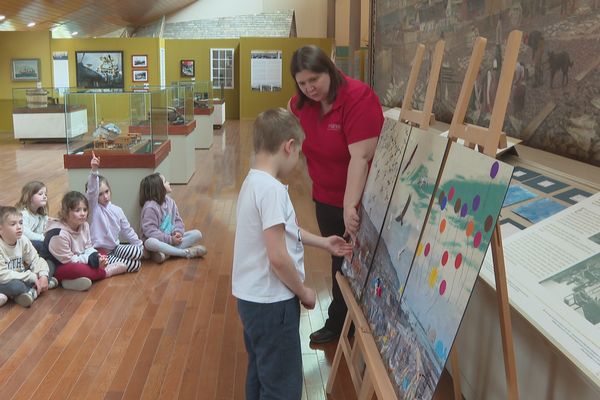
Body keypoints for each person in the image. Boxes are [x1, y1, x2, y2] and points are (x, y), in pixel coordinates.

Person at [233, 108, 352, 400]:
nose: (298, 160)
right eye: (298, 152)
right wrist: (304, 292)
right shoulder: (272, 190)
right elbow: (277, 256)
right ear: (289, 146)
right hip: (273, 304)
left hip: (251, 300)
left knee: (260, 373)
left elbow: (286, 232)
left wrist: (324, 242)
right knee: (283, 386)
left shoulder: (253, 182)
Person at [288, 45, 384, 344]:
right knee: (339, 261)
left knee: (360, 263)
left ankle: (359, 324)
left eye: (314, 79)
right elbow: (300, 148)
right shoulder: (300, 104)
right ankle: (341, 323)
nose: (309, 88)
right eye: (302, 83)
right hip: (325, 197)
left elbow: (361, 157)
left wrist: (349, 205)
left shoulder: (358, 97)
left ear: (329, 70)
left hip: (360, 199)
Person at [45, 191, 127, 291]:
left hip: (79, 257)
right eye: (77, 210)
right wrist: (91, 261)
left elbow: (88, 247)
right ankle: (106, 272)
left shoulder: (84, 225)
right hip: (60, 265)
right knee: (78, 269)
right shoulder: (58, 234)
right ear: (66, 212)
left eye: (85, 210)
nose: (83, 214)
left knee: (101, 251)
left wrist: (97, 257)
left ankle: (69, 282)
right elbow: (69, 260)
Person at [86, 152, 144, 272]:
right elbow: (92, 191)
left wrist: (140, 246)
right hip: (99, 252)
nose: (105, 196)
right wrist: (94, 171)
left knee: (137, 253)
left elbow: (127, 230)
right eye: (100, 194)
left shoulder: (117, 210)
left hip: (115, 248)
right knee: (135, 265)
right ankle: (107, 266)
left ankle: (113, 263)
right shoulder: (93, 209)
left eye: (107, 191)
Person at [139, 173, 206, 263]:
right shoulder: (150, 207)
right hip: (158, 241)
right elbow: (150, 232)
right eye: (165, 181)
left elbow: (178, 220)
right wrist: (170, 240)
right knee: (150, 242)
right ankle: (184, 252)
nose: (169, 182)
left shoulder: (171, 202)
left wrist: (178, 233)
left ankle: (166, 253)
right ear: (159, 188)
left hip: (171, 239)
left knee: (197, 234)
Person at [0, 206, 55, 308]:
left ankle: (32, 290)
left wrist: (43, 275)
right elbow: (2, 275)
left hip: (21, 275)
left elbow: (35, 259)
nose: (19, 227)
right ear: (1, 229)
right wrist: (30, 276)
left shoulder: (23, 240)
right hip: (5, 280)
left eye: (21, 223)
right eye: (13, 224)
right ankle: (34, 289)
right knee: (16, 286)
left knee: (49, 263)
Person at [15, 181, 49, 253]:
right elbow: (26, 233)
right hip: (20, 244)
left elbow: (44, 228)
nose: (45, 196)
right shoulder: (23, 214)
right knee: (41, 245)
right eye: (40, 194)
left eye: (45, 194)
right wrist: (43, 238)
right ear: (29, 197)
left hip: (32, 243)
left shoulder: (41, 215)